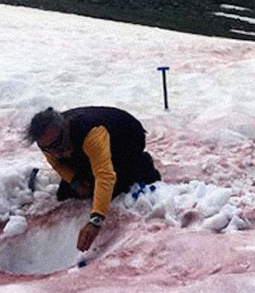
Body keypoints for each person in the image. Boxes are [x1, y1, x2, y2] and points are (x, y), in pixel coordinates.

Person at [25, 106, 161, 251]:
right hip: (83, 147)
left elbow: (105, 176)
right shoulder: (48, 142)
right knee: (67, 193)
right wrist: (75, 181)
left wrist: (96, 220)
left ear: (65, 131)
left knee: (115, 189)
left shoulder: (90, 132)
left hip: (126, 137)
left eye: (56, 146)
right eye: (46, 149)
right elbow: (57, 164)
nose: (53, 153)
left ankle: (143, 164)